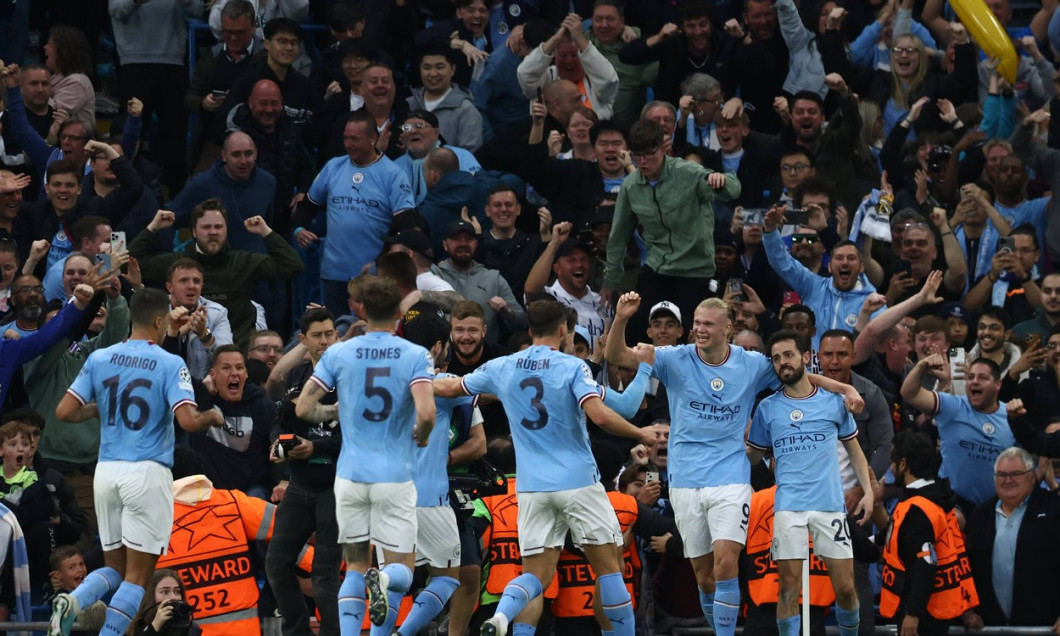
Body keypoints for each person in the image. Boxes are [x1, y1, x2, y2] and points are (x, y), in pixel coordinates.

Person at [605, 293, 863, 636]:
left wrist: (842, 387)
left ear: (728, 329)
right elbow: (615, 355)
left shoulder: (752, 364)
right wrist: (621, 318)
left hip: (730, 474)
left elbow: (798, 375)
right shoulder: (674, 358)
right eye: (696, 323)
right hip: (685, 479)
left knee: (727, 561)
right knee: (705, 577)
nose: (699, 329)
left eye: (708, 324)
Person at [434, 299, 660, 636]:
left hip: (533, 488)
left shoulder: (503, 366)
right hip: (578, 482)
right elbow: (610, 412)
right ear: (562, 331)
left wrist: (412, 381)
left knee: (535, 575)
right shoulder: (572, 367)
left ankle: (500, 617)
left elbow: (452, 387)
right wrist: (642, 396)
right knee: (609, 570)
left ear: (529, 330)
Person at [50, 288, 223, 636]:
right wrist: (213, 416)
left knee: (114, 568)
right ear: (160, 321)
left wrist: (100, 408)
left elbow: (64, 411)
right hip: (146, 471)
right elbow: (189, 421)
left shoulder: (101, 358)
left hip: (107, 472)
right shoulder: (170, 362)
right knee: (139, 576)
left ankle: (73, 600)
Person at [294, 276, 435, 636]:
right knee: (402, 569)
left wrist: (335, 412)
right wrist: (422, 435)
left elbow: (304, 408)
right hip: (394, 477)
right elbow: (427, 412)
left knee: (354, 565)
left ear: (363, 310)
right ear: (400, 313)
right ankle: (384, 579)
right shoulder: (415, 354)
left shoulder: (339, 352)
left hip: (350, 478)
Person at [746, 329, 874, 636]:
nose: (782, 363)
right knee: (788, 589)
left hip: (829, 507)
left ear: (806, 358)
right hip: (788, 508)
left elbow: (855, 452)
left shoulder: (833, 403)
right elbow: (753, 458)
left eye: (788, 355)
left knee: (845, 589)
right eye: (776, 359)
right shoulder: (766, 409)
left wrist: (869, 491)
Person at [604, 119, 740, 337]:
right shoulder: (631, 186)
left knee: (690, 330)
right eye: (637, 156)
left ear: (663, 148)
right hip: (658, 266)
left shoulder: (688, 173)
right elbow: (618, 236)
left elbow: (733, 189)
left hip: (694, 268)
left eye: (649, 154)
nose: (643, 161)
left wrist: (721, 180)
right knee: (637, 324)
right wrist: (610, 281)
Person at [265, 308, 342, 636]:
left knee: (325, 578)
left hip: (335, 489)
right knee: (276, 566)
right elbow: (278, 423)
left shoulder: (350, 378)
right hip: (299, 485)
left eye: (329, 334)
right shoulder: (297, 379)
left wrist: (317, 448)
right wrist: (276, 445)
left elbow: (359, 434)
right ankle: (297, 631)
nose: (324, 341)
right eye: (317, 335)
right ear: (303, 340)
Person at [293, 111, 415, 316]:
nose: (348, 144)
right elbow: (308, 205)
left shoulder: (393, 174)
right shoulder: (333, 167)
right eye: (346, 138)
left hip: (371, 274)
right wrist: (299, 229)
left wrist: (380, 262)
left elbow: (405, 224)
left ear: (372, 139)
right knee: (337, 329)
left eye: (355, 139)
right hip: (333, 272)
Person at [878, 431, 979, 636]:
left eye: (893, 461)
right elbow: (890, 540)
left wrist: (913, 613)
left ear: (904, 464)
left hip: (922, 615)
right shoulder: (934, 497)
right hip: (935, 607)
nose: (891, 467)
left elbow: (926, 563)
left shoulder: (919, 508)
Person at [900, 355, 1016, 509]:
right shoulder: (953, 406)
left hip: (995, 507)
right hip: (952, 501)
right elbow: (909, 393)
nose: (975, 381)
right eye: (971, 377)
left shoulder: (1011, 416)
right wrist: (921, 366)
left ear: (998, 384)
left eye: (982, 377)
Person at [965, 445, 1060, 630]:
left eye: (1015, 474)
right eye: (1001, 475)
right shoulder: (979, 516)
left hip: (1043, 626)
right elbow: (967, 568)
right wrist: (968, 611)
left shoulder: (1055, 509)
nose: (1007, 480)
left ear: (1031, 477)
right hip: (990, 626)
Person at [127, 568, 201, 636]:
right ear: (150, 596)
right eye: (165, 592)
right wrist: (153, 627)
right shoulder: (132, 627)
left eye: (177, 591)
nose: (173, 597)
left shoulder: (191, 628)